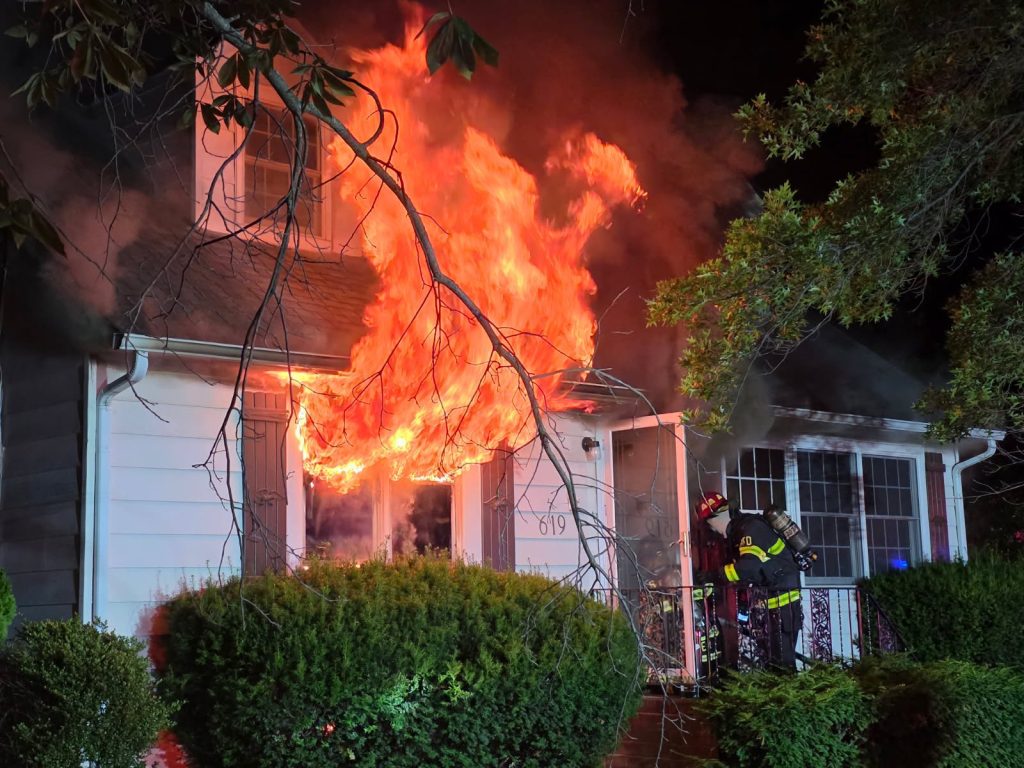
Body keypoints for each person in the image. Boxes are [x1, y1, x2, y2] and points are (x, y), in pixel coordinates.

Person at [697, 493, 803, 671]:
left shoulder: (750, 529)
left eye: (709, 524)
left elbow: (748, 568)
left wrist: (714, 575)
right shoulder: (741, 531)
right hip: (774, 605)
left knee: (783, 665)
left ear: (716, 519)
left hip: (783, 606)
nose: (712, 529)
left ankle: (788, 698)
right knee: (773, 663)